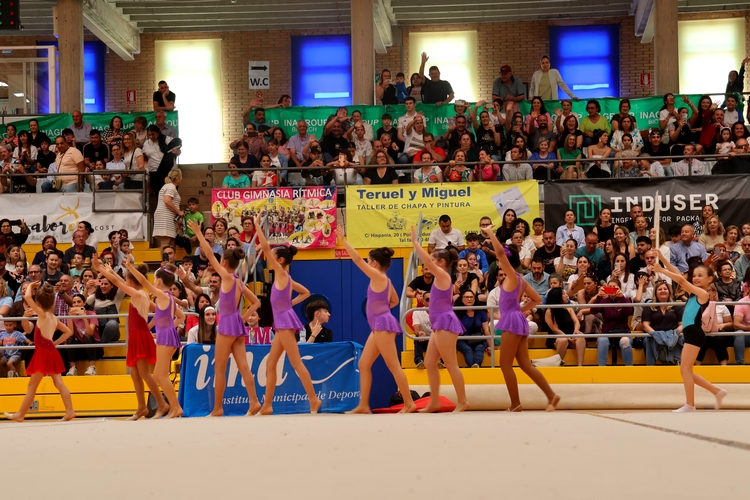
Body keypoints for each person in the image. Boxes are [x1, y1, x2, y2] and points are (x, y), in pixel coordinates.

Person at [480, 225, 559, 411]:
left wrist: (490, 233)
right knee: (525, 365)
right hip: (517, 320)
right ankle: (551, 396)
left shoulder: (512, 276)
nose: (499, 261)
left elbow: (500, 253)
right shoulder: (520, 279)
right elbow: (537, 299)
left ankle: (516, 403)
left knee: (505, 365)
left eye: (501, 260)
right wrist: (520, 309)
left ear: (507, 261)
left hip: (512, 321)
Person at [337, 228, 416, 413]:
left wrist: (343, 240)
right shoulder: (385, 280)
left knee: (393, 365)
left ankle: (409, 403)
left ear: (373, 263)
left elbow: (357, 260)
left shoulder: (378, 276)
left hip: (382, 325)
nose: (366, 263)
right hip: (379, 325)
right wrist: (381, 307)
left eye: (368, 261)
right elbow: (394, 300)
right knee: (363, 364)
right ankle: (364, 405)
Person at [189, 219, 262, 417]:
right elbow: (256, 302)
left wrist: (199, 233)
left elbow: (209, 254)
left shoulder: (227, 277)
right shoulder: (238, 281)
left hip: (228, 324)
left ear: (224, 262)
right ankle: (254, 401)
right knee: (243, 366)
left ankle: (218, 408)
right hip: (237, 323)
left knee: (219, 369)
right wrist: (243, 319)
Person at [253, 215, 320, 415]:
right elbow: (306, 293)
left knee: (296, 362)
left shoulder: (282, 273)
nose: (269, 258)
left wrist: (257, 226)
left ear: (279, 260)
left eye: (273, 256)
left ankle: (313, 399)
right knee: (271, 363)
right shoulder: (285, 278)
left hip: (284, 322)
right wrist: (290, 304)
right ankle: (267, 405)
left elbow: (266, 248)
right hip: (283, 321)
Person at [92, 257, 168, 420]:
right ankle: (141, 407)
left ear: (131, 281)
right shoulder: (142, 293)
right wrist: (111, 272)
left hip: (139, 335)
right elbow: (158, 310)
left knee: (144, 373)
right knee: (134, 373)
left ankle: (161, 403)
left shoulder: (138, 294)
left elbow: (117, 283)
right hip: (137, 335)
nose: (124, 281)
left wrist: (99, 269)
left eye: (126, 278)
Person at [653, 254, 727, 412]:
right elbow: (678, 274)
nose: (696, 278)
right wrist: (663, 260)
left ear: (710, 279)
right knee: (686, 370)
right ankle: (716, 392)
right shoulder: (694, 293)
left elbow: (680, 280)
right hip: (691, 333)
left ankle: (690, 404)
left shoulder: (703, 295)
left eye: (700, 275)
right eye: (694, 275)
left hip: (695, 333)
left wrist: (661, 270)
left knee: (685, 369)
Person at [409, 228, 468, 412]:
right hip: (439, 324)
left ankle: (463, 401)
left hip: (445, 323)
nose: (429, 264)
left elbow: (426, 261)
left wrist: (415, 242)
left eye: (433, 261)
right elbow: (446, 300)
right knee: (429, 363)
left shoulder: (443, 275)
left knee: (450, 364)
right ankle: (434, 401)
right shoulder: (440, 278)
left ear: (441, 262)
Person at [4, 282, 75, 422]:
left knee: (32, 385)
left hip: (43, 353)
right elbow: (68, 332)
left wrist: (30, 285)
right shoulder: (53, 318)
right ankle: (70, 410)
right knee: (59, 383)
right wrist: (54, 343)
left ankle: (20, 414)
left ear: (39, 303)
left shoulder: (42, 315)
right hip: (50, 351)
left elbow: (27, 297)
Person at [125, 261, 184, 418]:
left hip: (166, 337)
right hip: (167, 335)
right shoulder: (168, 298)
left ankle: (175, 407)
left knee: (162, 376)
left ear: (158, 281)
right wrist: (165, 328)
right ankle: (169, 406)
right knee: (157, 375)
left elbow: (143, 282)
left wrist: (130, 267)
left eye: (154, 279)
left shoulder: (162, 295)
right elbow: (180, 317)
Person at [593, 280, 634, 366]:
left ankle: (630, 369)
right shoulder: (604, 300)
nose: (612, 289)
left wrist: (622, 298)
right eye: (609, 287)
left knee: (625, 341)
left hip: (623, 332)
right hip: (607, 332)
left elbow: (629, 312)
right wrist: (599, 297)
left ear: (620, 288)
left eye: (614, 287)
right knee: (602, 340)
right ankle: (601, 369)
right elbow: (593, 311)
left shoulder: (625, 300)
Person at [545, 287, 585, 366]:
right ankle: (559, 365)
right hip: (556, 337)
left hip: (571, 334)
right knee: (563, 340)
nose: (567, 295)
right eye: (563, 294)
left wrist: (576, 331)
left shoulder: (569, 308)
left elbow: (576, 322)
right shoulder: (549, 311)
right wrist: (568, 338)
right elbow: (555, 329)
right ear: (558, 297)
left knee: (580, 337)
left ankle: (580, 366)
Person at [152, 169, 184, 251]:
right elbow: (167, 200)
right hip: (165, 216)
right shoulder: (171, 187)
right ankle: (164, 259)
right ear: (177, 178)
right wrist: (178, 212)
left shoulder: (168, 186)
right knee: (166, 241)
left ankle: (170, 258)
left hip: (168, 216)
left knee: (171, 241)